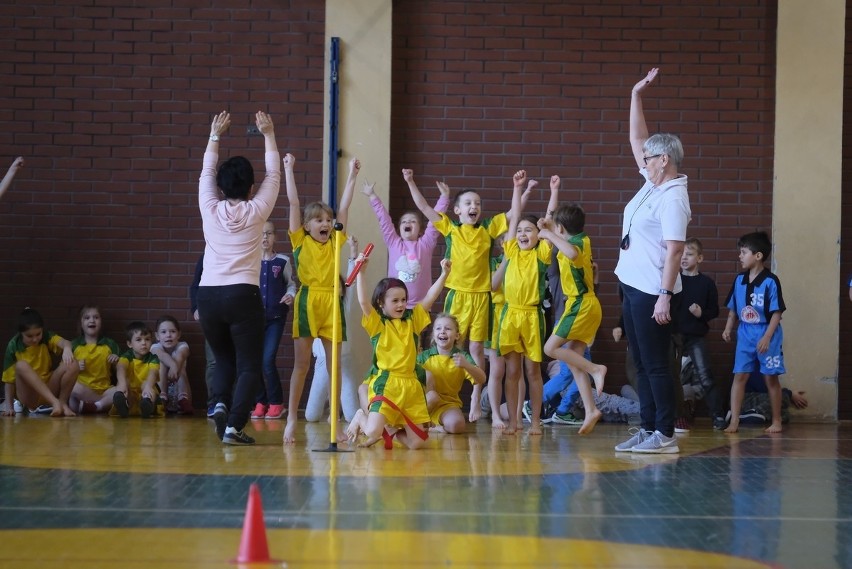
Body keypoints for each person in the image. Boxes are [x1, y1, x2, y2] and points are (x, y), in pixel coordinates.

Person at [613, 68, 691, 455]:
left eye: (648, 156)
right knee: (640, 364)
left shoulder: (673, 197)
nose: (641, 157)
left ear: (663, 159)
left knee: (657, 364)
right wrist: (635, 93)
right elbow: (636, 136)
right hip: (632, 286)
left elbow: (675, 250)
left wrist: (664, 295)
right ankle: (646, 429)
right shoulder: (652, 182)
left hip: (651, 290)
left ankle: (665, 434)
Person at [197, 110, 280, 446]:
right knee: (248, 364)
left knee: (223, 358)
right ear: (251, 188)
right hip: (242, 295)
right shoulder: (257, 209)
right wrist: (268, 133)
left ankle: (218, 403)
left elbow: (205, 170)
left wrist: (215, 135)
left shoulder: (208, 205)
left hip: (208, 295)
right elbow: (274, 173)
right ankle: (233, 425)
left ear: (219, 186)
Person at [407, 172, 512, 424]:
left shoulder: (487, 229)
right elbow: (423, 207)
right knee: (455, 345)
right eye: (468, 203)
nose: (474, 206)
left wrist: (519, 189)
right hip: (458, 295)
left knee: (476, 348)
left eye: (477, 203)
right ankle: (438, 396)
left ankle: (476, 396)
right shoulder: (451, 229)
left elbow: (512, 215)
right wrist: (411, 181)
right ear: (457, 210)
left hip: (481, 297)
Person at [283, 154, 359, 444]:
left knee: (334, 365)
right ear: (306, 225)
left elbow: (344, 207)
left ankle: (335, 421)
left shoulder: (336, 241)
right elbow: (292, 203)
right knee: (301, 365)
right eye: (319, 220)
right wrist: (289, 169)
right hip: (307, 303)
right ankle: (291, 419)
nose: (326, 223)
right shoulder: (299, 241)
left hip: (332, 302)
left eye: (328, 220)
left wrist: (351, 175)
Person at [345, 255, 451, 449]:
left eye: (403, 300)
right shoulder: (377, 324)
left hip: (410, 385)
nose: (401, 305)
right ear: (381, 303)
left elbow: (430, 297)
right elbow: (363, 302)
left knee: (416, 443)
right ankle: (362, 417)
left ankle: (392, 431)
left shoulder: (413, 320)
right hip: (387, 383)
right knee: (372, 431)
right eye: (395, 301)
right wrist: (361, 273)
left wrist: (444, 274)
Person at [490, 170, 556, 435]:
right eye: (519, 231)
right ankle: (515, 421)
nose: (522, 233)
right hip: (510, 316)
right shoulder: (511, 250)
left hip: (531, 316)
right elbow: (515, 216)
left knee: (533, 371)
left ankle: (536, 421)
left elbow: (548, 221)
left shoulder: (541, 253)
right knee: (512, 371)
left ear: (538, 235)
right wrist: (517, 188)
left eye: (528, 230)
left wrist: (553, 193)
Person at [537, 198, 607, 435]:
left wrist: (548, 235)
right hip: (583, 305)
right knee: (574, 360)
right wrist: (548, 226)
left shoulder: (577, 243)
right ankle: (591, 410)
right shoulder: (579, 238)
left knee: (550, 349)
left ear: (561, 229)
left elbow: (569, 250)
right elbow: (561, 240)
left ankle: (596, 369)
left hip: (580, 304)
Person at [722, 231, 786, 434]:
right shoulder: (739, 280)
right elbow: (733, 308)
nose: (740, 256)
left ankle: (776, 420)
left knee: (770, 378)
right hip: (745, 332)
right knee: (739, 376)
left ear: (758, 255)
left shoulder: (771, 281)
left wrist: (767, 337)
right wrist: (728, 327)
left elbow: (777, 313)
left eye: (743, 252)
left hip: (767, 332)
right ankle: (734, 421)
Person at [363, 170, 450, 306]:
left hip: (421, 306)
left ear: (420, 230)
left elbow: (435, 222)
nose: (407, 223)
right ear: (399, 229)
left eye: (412, 221)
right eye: (404, 222)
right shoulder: (393, 242)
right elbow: (384, 220)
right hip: (394, 305)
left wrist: (444, 197)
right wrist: (373, 196)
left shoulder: (426, 243)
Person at [305, 235, 361, 423]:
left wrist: (353, 253)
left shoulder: (343, 303)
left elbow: (351, 280)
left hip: (343, 361)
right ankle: (331, 399)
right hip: (322, 361)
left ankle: (338, 404)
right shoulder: (316, 300)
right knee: (311, 416)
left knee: (353, 415)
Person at [250, 220, 296, 421]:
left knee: (267, 360)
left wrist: (290, 295)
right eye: (261, 234)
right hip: (253, 320)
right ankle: (261, 401)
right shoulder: (249, 261)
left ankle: (277, 403)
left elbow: (291, 285)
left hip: (275, 318)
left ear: (275, 236)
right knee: (254, 361)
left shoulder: (282, 261)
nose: (265, 238)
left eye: (268, 233)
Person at [676, 237, 723, 429]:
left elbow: (715, 311)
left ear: (700, 258)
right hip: (675, 336)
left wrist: (701, 313)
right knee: (671, 376)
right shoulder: (673, 280)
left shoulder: (706, 283)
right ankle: (674, 417)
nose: (684, 258)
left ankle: (718, 415)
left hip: (695, 337)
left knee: (705, 376)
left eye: (689, 254)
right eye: (681, 254)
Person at [1, 308, 78, 417]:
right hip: (28, 395)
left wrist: (67, 349)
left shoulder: (46, 336)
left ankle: (62, 403)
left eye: (38, 334)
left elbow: (66, 342)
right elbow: (8, 381)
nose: (35, 339)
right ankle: (55, 402)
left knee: (72, 363)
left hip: (49, 387)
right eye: (29, 336)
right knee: (21, 365)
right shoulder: (13, 346)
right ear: (20, 333)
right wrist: (9, 407)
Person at [420, 312, 485, 434]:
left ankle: (433, 428)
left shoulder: (461, 357)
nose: (443, 331)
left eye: (448, 328)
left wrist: (467, 365)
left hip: (447, 405)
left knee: (457, 425)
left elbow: (481, 379)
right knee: (432, 396)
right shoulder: (424, 357)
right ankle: (419, 423)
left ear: (457, 335)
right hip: (426, 402)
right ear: (434, 334)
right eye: (438, 328)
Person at [69, 305, 121, 415]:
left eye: (96, 317)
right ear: (81, 323)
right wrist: (75, 366)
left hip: (105, 390)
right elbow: (64, 370)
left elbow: (120, 371)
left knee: (121, 390)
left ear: (101, 321)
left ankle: (95, 406)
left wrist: (117, 362)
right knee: (72, 387)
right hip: (82, 391)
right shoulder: (74, 345)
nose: (92, 320)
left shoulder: (110, 344)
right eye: (87, 318)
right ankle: (102, 404)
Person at [189, 252, 217, 418]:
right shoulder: (207, 255)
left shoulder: (238, 250)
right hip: (212, 314)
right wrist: (195, 308)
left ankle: (234, 403)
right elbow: (195, 285)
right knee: (213, 361)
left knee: (236, 360)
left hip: (234, 312)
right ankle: (213, 403)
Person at [113, 321, 160, 418]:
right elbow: (121, 367)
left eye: (147, 339)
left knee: (148, 385)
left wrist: (148, 386)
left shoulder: (153, 358)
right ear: (130, 344)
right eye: (139, 340)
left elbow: (153, 372)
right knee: (124, 382)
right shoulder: (126, 356)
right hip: (131, 393)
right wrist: (122, 383)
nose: (144, 343)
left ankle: (147, 406)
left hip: (145, 392)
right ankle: (124, 406)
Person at [151, 315, 193, 415]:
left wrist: (176, 367)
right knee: (162, 361)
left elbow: (181, 355)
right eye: (163, 332)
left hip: (181, 392)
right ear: (157, 336)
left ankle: (183, 399)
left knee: (179, 362)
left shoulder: (182, 345)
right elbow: (161, 354)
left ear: (179, 334)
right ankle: (162, 397)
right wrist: (173, 366)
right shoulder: (155, 347)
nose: (168, 335)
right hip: (161, 391)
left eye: (173, 331)